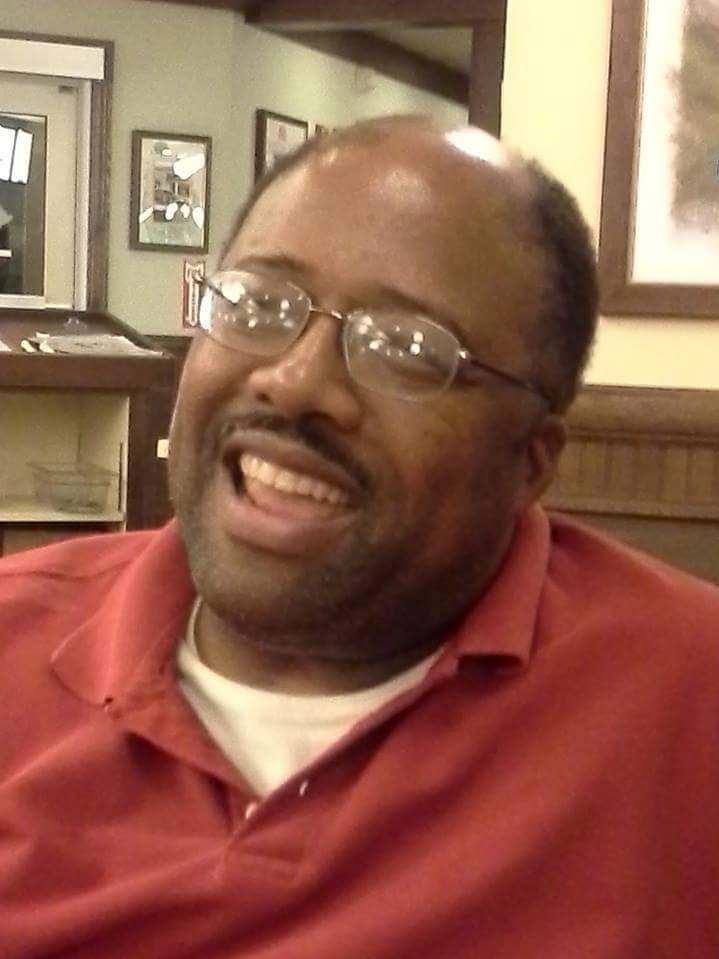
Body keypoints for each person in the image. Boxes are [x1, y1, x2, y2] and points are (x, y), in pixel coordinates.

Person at [1, 115, 717, 959]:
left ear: (528, 460)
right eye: (259, 304)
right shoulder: (17, 638)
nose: (295, 381)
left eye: (407, 348)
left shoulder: (683, 704)